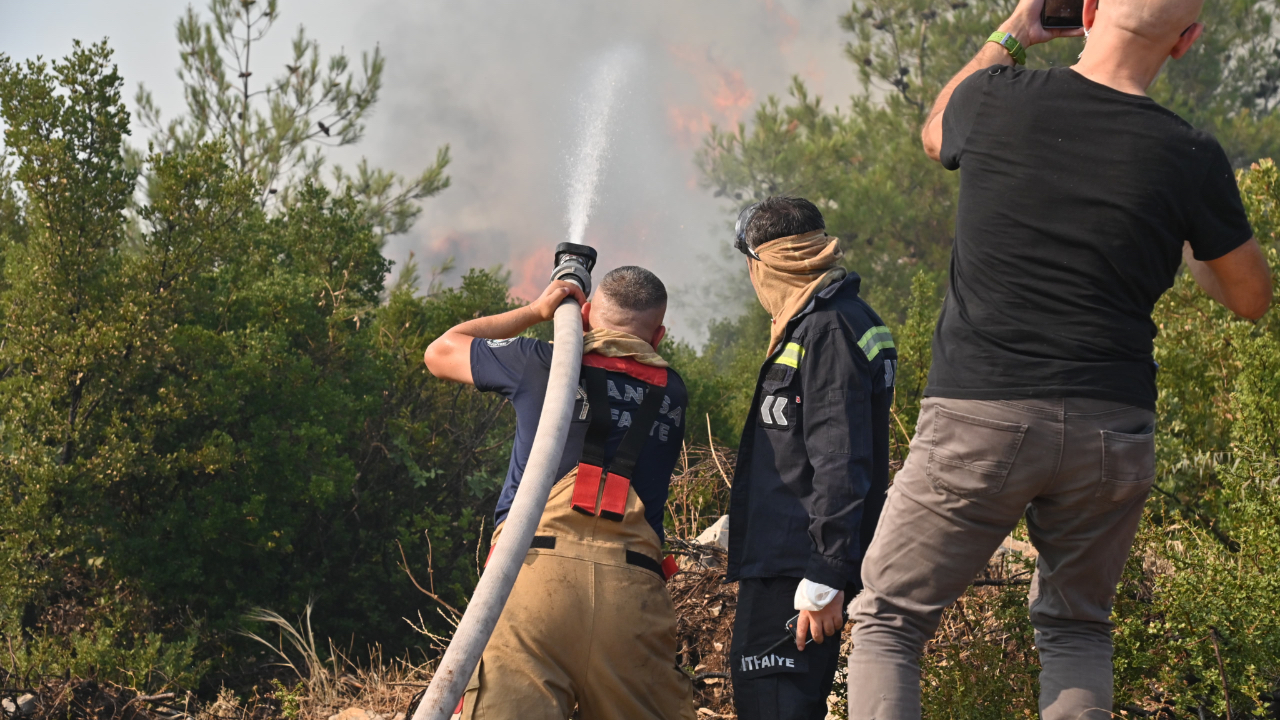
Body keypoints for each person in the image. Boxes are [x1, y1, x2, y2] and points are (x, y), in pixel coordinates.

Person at [846, 0, 1274, 716]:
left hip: (982, 412)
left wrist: (1014, 29)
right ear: (1186, 42)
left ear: (1089, 9)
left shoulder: (994, 98)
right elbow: (1251, 296)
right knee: (1078, 629)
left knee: (891, 621)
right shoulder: (1190, 155)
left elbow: (933, 134)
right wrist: (1190, 235)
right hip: (1112, 430)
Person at [423, 266, 695, 720]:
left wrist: (537, 310)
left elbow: (440, 352)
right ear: (660, 335)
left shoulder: (540, 362)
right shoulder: (675, 390)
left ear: (586, 315)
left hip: (533, 576)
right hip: (633, 594)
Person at [724, 196, 897, 720]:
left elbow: (840, 458)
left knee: (773, 703)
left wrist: (824, 572)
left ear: (765, 264)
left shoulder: (828, 329)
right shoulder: (830, 319)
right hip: (796, 563)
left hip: (796, 565)